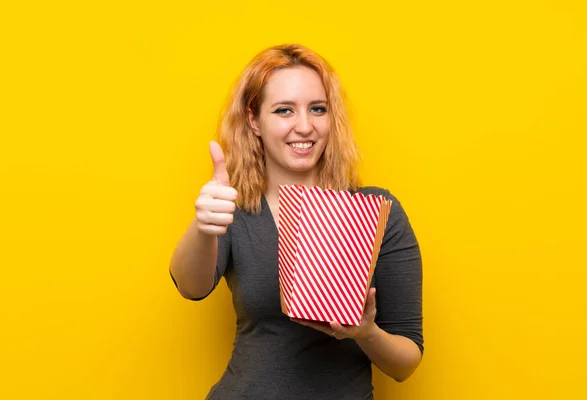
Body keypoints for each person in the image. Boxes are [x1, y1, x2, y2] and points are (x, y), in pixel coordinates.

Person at [169, 44, 423, 400]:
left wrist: (366, 333)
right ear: (254, 120)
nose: (304, 127)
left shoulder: (378, 212)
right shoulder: (234, 208)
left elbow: (405, 363)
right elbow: (190, 287)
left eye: (317, 109)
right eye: (284, 110)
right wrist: (203, 225)